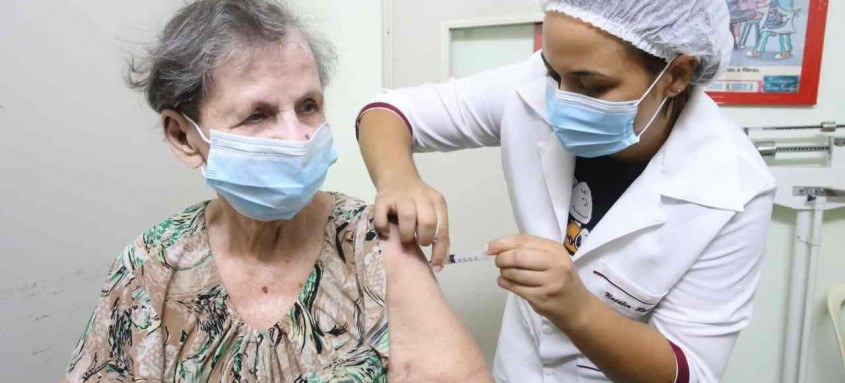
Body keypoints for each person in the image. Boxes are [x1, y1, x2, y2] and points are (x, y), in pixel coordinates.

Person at [62, 1, 491, 382]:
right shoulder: (150, 265)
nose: (296, 138)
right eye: (257, 115)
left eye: (308, 106)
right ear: (181, 135)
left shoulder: (374, 247)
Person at [356, 0, 776, 382]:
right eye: (553, 73)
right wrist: (399, 179)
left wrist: (577, 310)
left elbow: (691, 373)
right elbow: (387, 112)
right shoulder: (535, 90)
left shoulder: (733, 190)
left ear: (677, 75)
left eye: (592, 86)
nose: (561, 101)